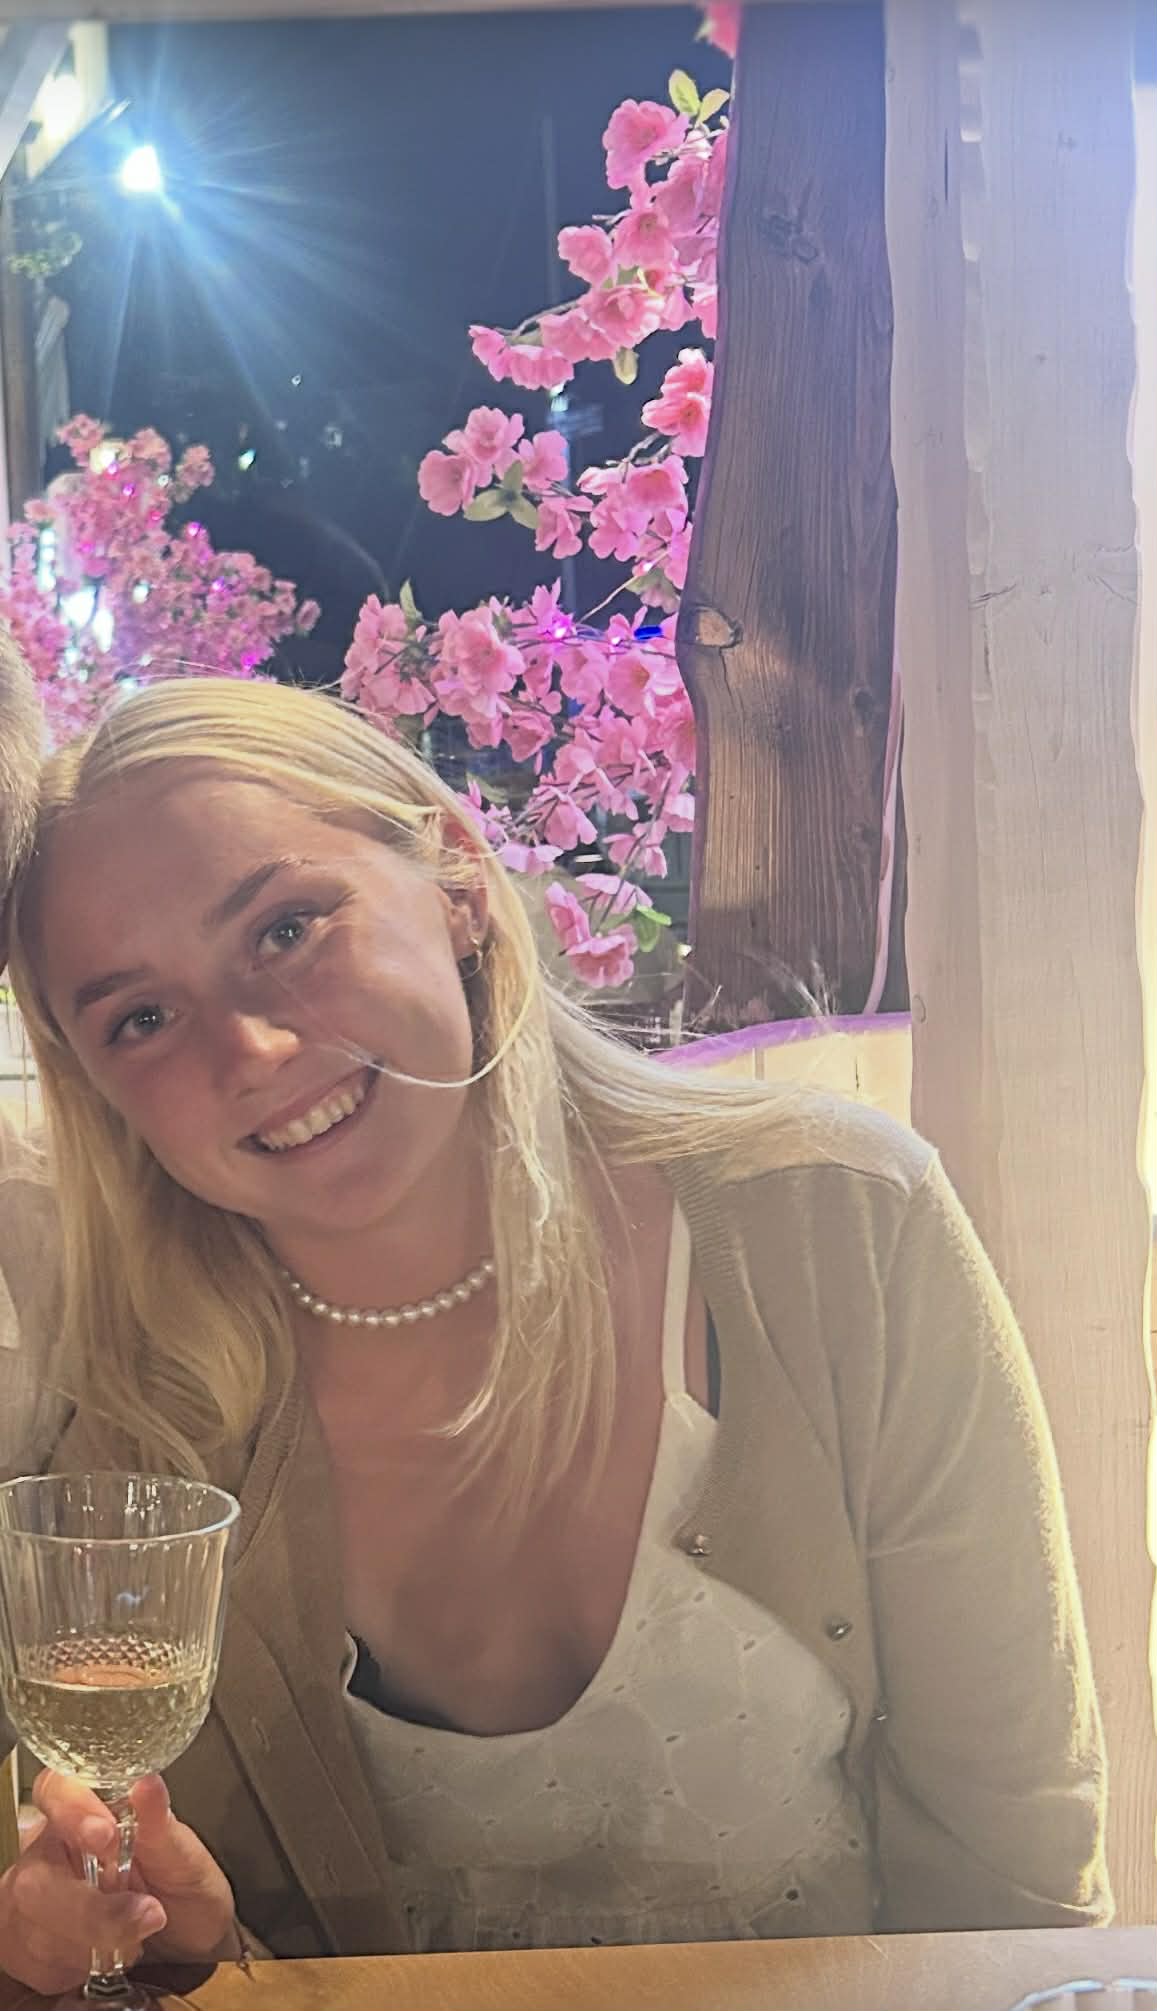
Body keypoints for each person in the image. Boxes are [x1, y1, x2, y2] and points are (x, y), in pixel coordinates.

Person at [0, 668, 1109, 1994]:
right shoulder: (127, 1418)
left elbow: (1016, 1875)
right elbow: (176, 1943)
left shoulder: (834, 1227)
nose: (250, 1048)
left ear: (459, 883)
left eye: (288, 929)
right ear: (96, 1086)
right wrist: (165, 1946)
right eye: (141, 1018)